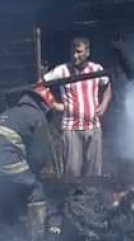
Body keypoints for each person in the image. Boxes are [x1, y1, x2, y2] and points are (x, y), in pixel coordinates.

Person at [0, 84, 55, 241]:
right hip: (3, 157)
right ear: (45, 107)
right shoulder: (36, 116)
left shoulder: (9, 114)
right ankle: (38, 239)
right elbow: (40, 157)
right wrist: (33, 175)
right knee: (35, 190)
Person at [43, 38, 112, 177]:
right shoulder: (62, 70)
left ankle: (92, 198)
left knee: (94, 173)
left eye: (79, 52)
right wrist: (55, 105)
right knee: (72, 172)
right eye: (73, 52)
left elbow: (107, 85)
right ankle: (72, 198)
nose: (75, 56)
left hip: (94, 126)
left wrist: (104, 103)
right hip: (71, 129)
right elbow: (40, 86)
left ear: (87, 52)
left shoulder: (96, 69)